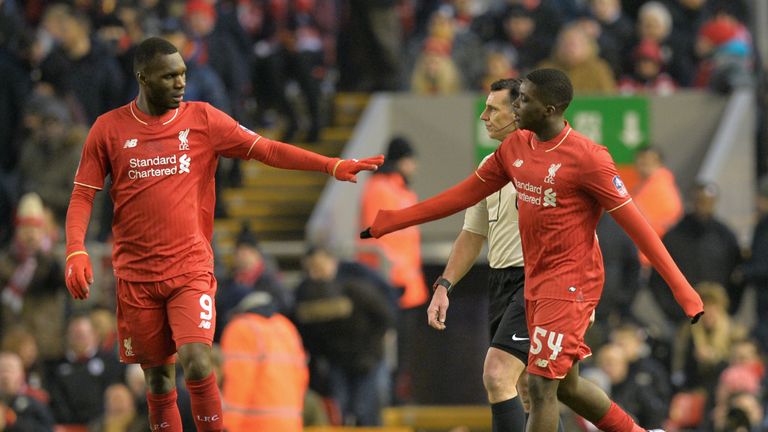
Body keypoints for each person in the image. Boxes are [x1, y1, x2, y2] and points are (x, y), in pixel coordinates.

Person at [63, 36, 383, 432]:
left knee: (196, 359)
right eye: (169, 76)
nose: (181, 83)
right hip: (136, 277)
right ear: (143, 78)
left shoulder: (204, 119)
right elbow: (82, 195)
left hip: (189, 268)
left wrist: (329, 165)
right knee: (159, 379)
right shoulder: (108, 129)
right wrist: (75, 249)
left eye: (183, 74)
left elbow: (265, 149)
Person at [361, 68, 703, 432]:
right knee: (567, 387)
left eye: (524, 100)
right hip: (533, 282)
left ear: (551, 108)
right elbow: (461, 196)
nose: (516, 106)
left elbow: (641, 229)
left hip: (573, 283)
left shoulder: (589, 158)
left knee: (536, 384)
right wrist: (393, 220)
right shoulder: (514, 149)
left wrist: (684, 292)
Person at [427, 78, 538, 431]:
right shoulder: (490, 166)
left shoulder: (550, 163)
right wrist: (444, 285)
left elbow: (584, 233)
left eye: (493, 109)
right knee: (537, 388)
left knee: (498, 375)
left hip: (540, 281)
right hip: (501, 281)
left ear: (518, 113)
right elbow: (473, 234)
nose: (483, 116)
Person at [220, 291, 308, 432]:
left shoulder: (241, 328)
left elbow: (239, 382)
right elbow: (301, 378)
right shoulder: (286, 328)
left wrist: (227, 425)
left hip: (253, 425)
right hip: (290, 424)